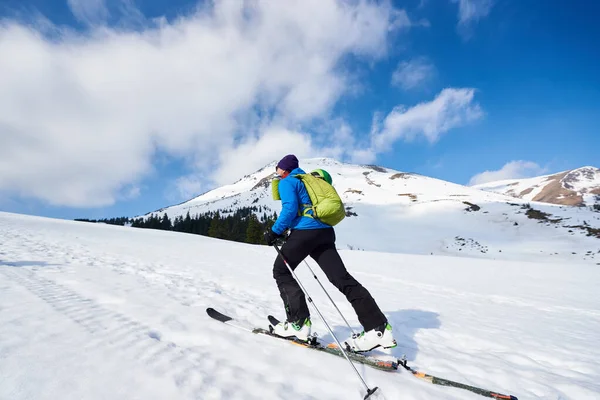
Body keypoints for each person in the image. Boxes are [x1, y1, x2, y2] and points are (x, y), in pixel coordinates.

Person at [263, 154, 397, 353]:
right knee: (341, 278)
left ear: (284, 169)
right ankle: (377, 328)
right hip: (324, 233)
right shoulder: (310, 181)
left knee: (281, 271)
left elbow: (290, 209)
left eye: (278, 168)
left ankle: (298, 323)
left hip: (305, 232)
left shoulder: (288, 182)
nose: (276, 171)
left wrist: (274, 231)